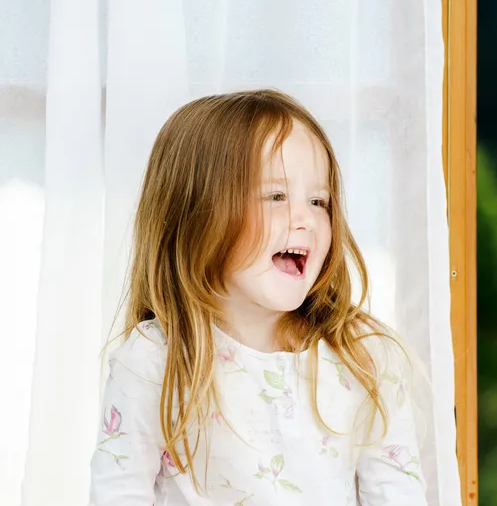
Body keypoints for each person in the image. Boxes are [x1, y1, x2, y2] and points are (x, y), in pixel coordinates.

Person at [90, 89, 427, 506]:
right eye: (276, 197)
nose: (305, 219)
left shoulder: (364, 357)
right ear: (198, 213)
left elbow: (398, 494)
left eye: (318, 201)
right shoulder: (153, 360)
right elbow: (118, 494)